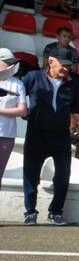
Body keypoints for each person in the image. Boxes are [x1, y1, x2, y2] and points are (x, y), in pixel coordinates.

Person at [21, 47, 79, 226]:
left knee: (63, 174)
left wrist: (75, 120)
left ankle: (56, 212)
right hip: (36, 134)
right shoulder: (33, 77)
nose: (66, 68)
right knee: (30, 174)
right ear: (51, 61)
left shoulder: (73, 84)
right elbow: (18, 95)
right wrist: (25, 113)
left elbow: (76, 105)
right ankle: (30, 212)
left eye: (69, 66)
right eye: (63, 65)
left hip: (61, 136)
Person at [0, 49, 27, 191]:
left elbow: (22, 110)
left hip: (6, 136)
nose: (11, 66)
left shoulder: (17, 84)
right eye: (7, 62)